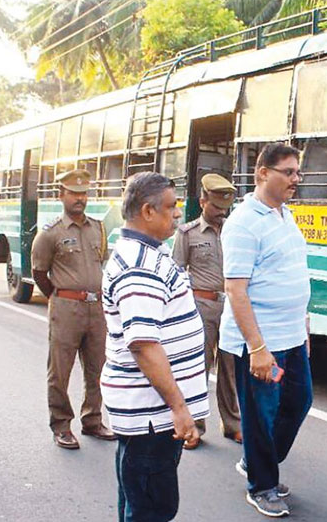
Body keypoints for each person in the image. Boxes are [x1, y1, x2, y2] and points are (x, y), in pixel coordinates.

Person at [101, 172, 208, 522]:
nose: (178, 214)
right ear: (148, 211)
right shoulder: (139, 266)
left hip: (148, 413)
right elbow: (144, 346)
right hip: (152, 414)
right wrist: (179, 407)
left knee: (139, 500)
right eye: (171, 207)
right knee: (152, 509)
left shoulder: (147, 252)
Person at [219, 143, 313, 518]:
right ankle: (261, 485)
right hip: (262, 340)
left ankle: (257, 461)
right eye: (288, 172)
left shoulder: (283, 214)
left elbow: (290, 273)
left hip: (291, 335)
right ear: (262, 174)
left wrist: (303, 325)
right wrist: (257, 347)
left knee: (298, 403)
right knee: (261, 413)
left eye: (297, 172)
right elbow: (235, 289)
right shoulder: (243, 222)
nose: (296, 179)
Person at [31, 169, 115, 449]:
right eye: (74, 193)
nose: (80, 199)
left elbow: (100, 262)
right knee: (60, 370)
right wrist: (59, 296)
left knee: (97, 368)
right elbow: (40, 272)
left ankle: (92, 420)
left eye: (83, 193)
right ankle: (61, 425)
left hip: (97, 307)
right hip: (67, 308)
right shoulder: (50, 233)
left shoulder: (98, 227)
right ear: (61, 195)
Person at [172, 173, 242, 449]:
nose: (220, 213)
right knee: (198, 367)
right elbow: (176, 273)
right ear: (202, 202)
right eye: (215, 207)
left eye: (224, 209)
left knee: (230, 367)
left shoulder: (235, 231)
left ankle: (233, 424)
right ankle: (196, 426)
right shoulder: (187, 233)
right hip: (200, 306)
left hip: (233, 307)